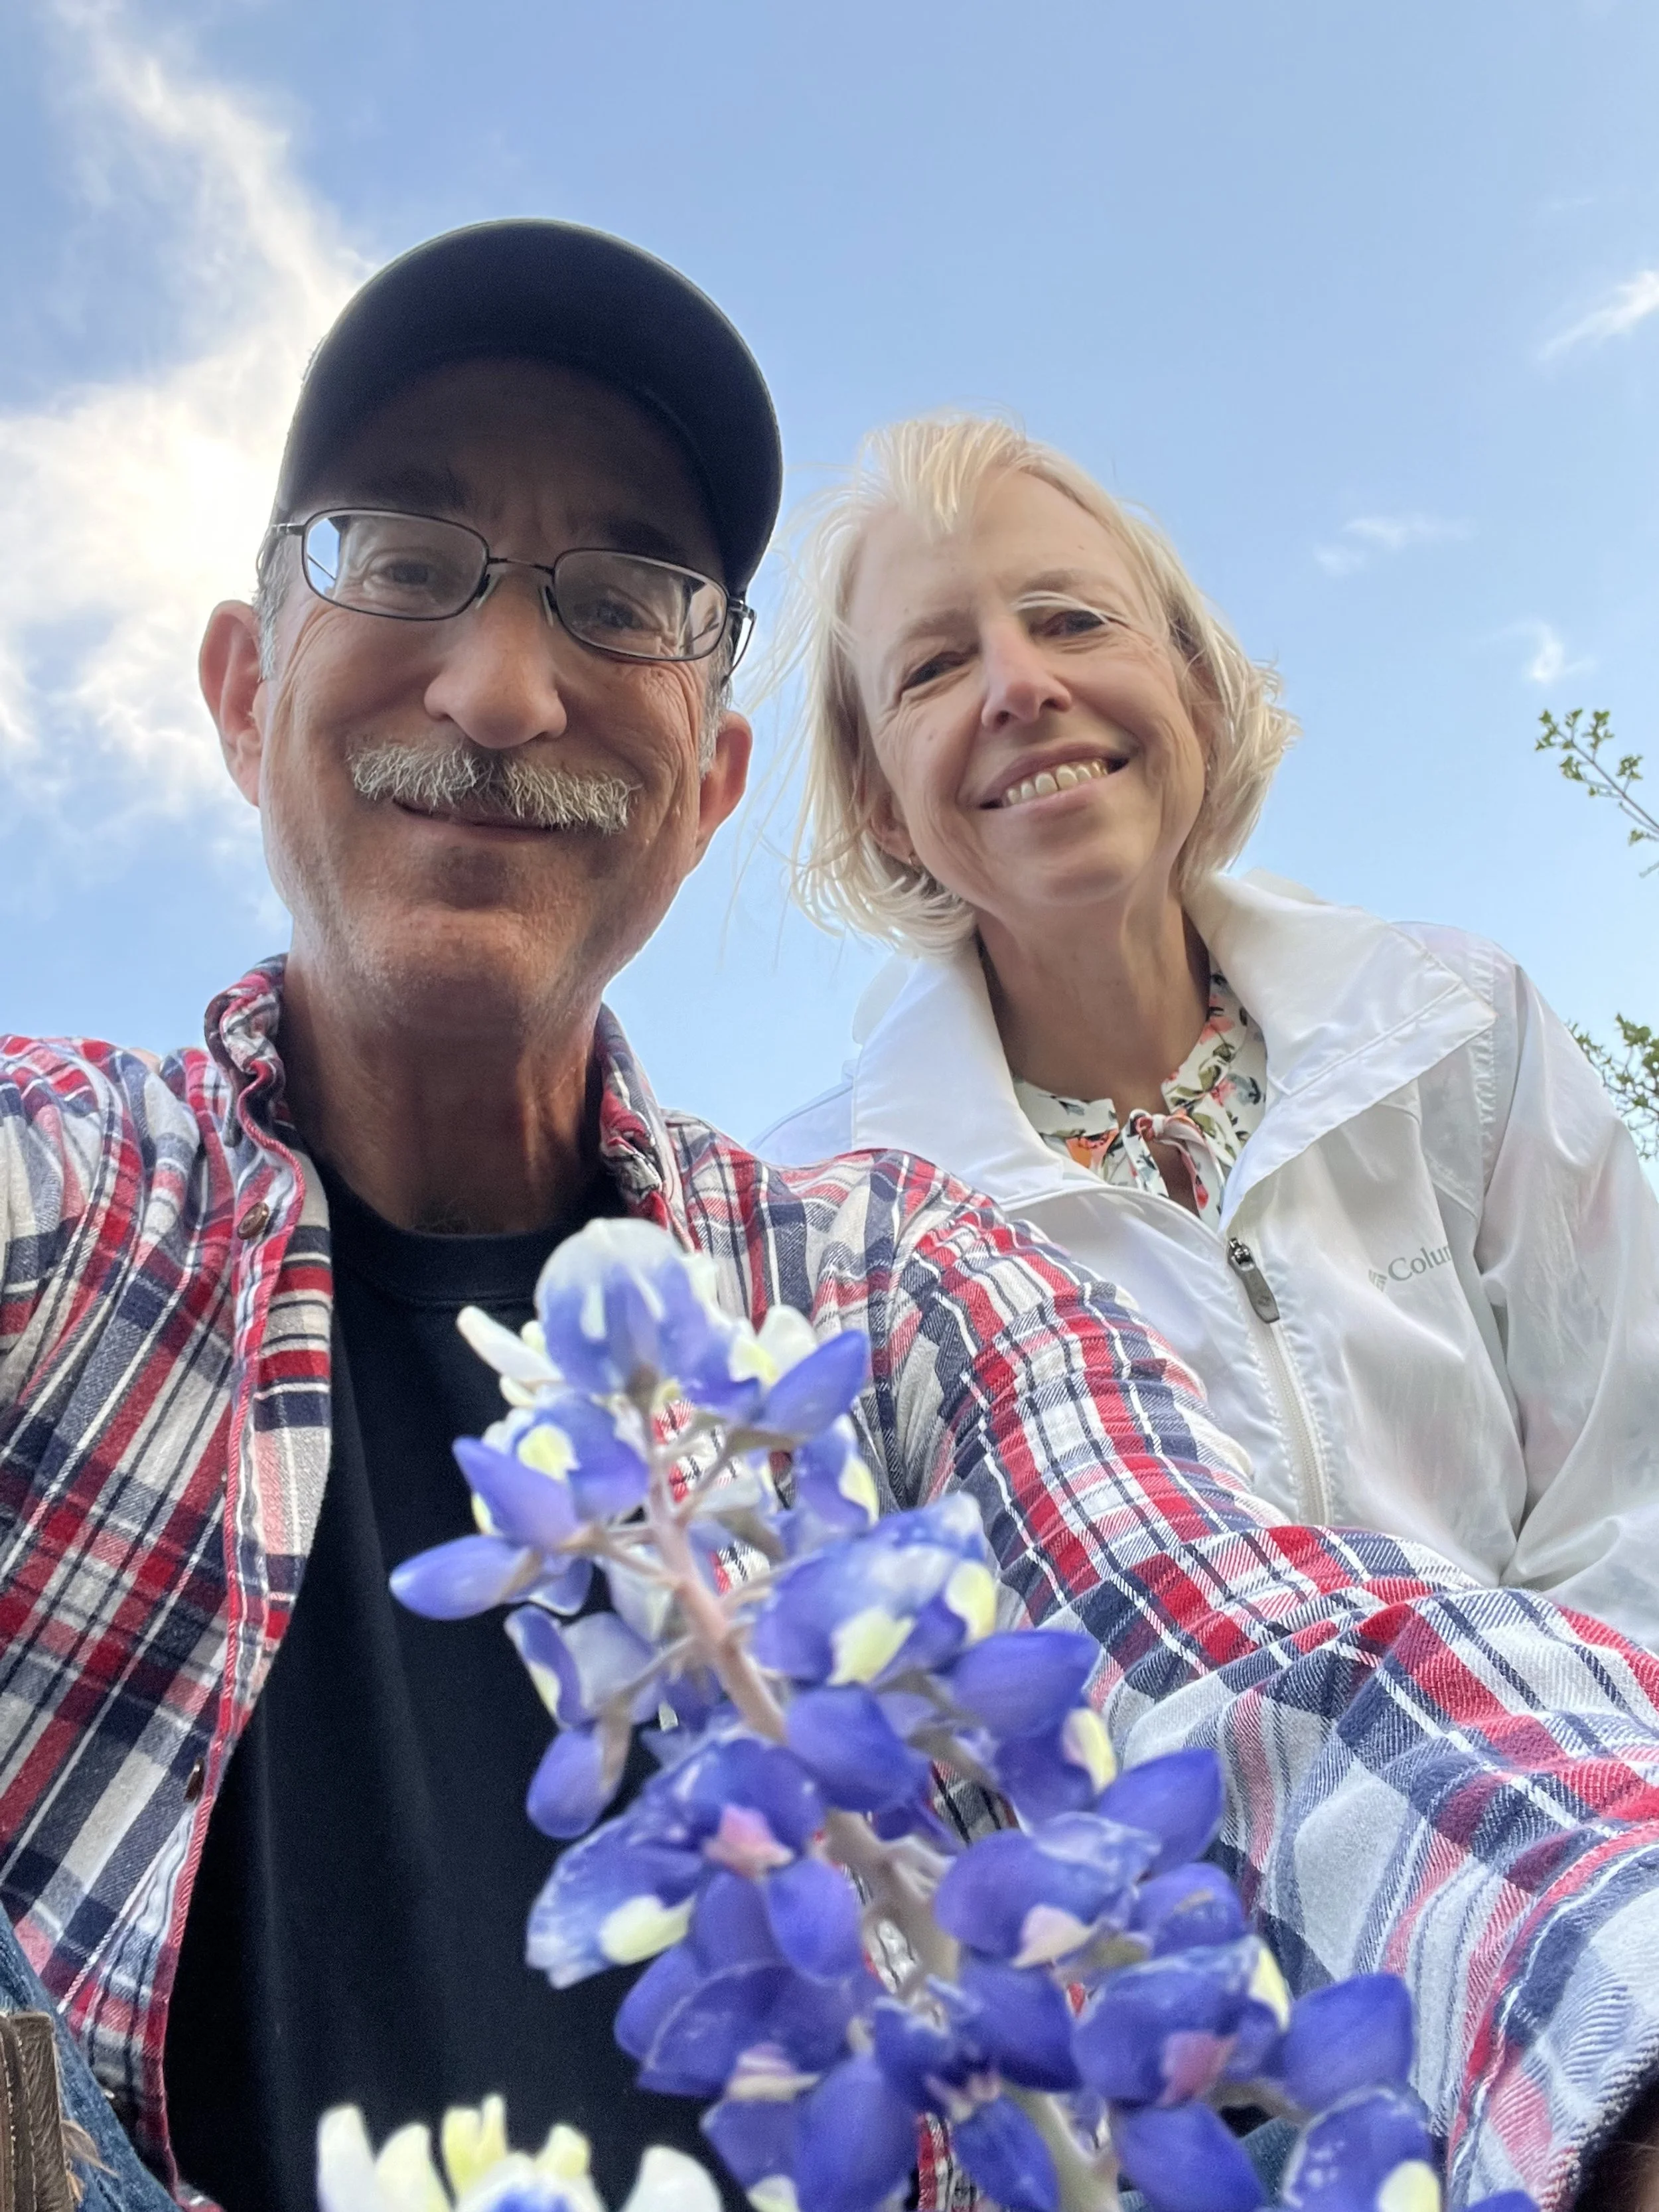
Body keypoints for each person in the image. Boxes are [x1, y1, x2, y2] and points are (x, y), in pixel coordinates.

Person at [3, 225, 1659, 2212]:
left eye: (621, 598)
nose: (506, 684)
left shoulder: (896, 1271)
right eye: (401, 553)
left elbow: (1257, 1646)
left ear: (704, 788)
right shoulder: (71, 1188)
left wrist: (1614, 2002)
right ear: (241, 686)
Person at [759, 411, 1659, 1653]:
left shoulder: (1460, 1031)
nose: (1022, 686)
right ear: (883, 805)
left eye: (1072, 618)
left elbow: (1634, 1490)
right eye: (931, 669)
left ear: (1191, 681)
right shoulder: (825, 1240)